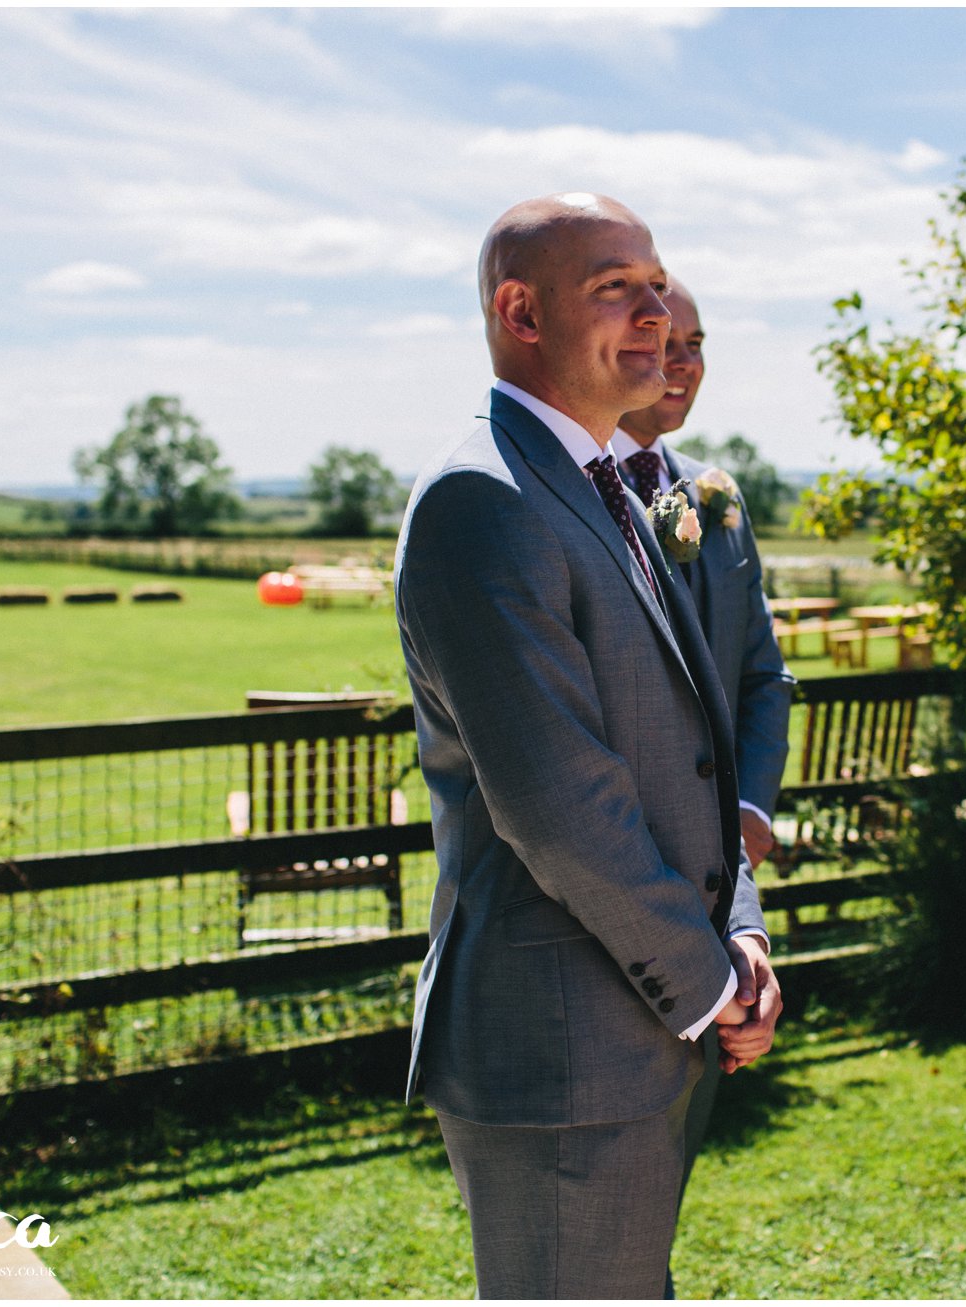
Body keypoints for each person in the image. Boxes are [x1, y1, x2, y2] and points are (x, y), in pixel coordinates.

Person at [393, 193, 779, 1298]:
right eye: (619, 286)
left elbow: (694, 748)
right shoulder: (485, 496)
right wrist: (712, 985)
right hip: (561, 1047)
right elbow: (561, 803)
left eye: (658, 283)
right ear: (520, 311)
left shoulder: (605, 483)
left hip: (642, 1027)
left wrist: (738, 928)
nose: (658, 311)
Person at [613, 285, 795, 1284]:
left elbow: (761, 674)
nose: (680, 362)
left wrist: (749, 817)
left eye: (695, 343)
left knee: (644, 1235)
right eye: (657, 340)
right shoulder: (565, 495)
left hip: (716, 895)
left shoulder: (713, 498)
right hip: (606, 903)